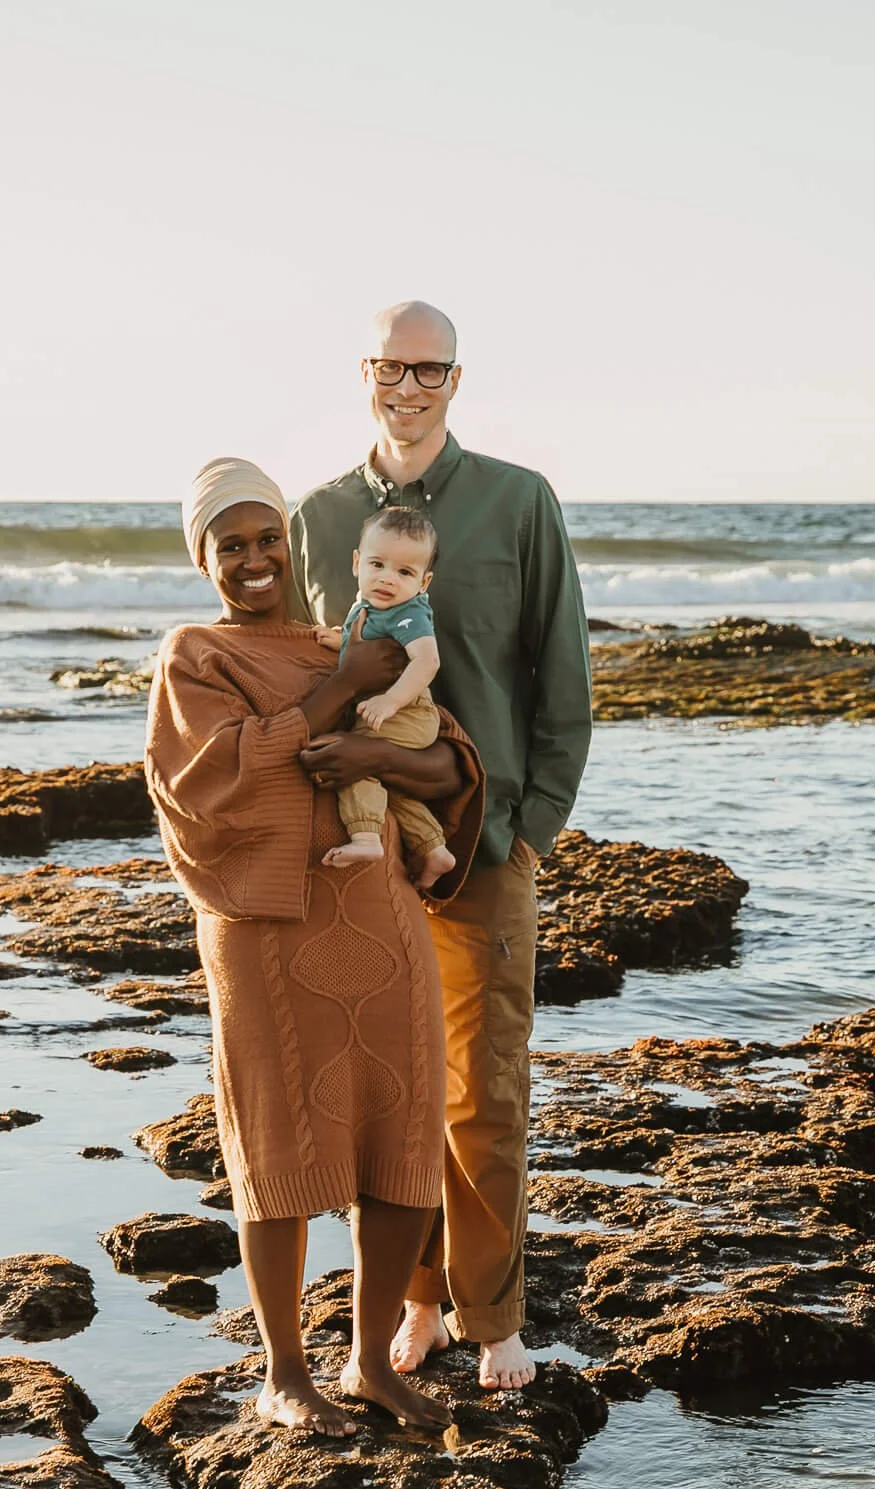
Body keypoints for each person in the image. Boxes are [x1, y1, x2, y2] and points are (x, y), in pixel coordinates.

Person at [145, 456, 486, 1435]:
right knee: (279, 1144)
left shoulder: (352, 634)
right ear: (204, 558)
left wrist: (370, 743)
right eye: (231, 545)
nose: (254, 559)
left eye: (268, 538)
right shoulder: (196, 655)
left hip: (381, 916)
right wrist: (338, 693)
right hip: (268, 931)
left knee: (402, 1137)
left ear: (291, 543)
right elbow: (206, 782)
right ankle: (284, 1374)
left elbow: (448, 762)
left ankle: (372, 1363)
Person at [290, 301, 592, 1392]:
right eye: (392, 366)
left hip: (486, 848)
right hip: (365, 848)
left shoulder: (519, 500)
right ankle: (413, 1302)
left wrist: (533, 829)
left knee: (483, 1090)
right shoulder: (316, 516)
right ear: (365, 370)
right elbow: (299, 674)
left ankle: (493, 1314)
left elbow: (563, 672)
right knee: (386, 1092)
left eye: (429, 369)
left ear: (456, 379)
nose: (408, 387)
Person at [312, 505, 455, 889]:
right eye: (377, 564)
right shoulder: (371, 604)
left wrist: (390, 701)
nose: (387, 578)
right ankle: (434, 848)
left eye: (405, 572)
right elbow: (368, 637)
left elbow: (427, 660)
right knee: (386, 784)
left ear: (424, 582)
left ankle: (365, 839)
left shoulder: (409, 614)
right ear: (357, 563)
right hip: (394, 711)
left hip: (407, 711)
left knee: (355, 762)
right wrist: (339, 639)